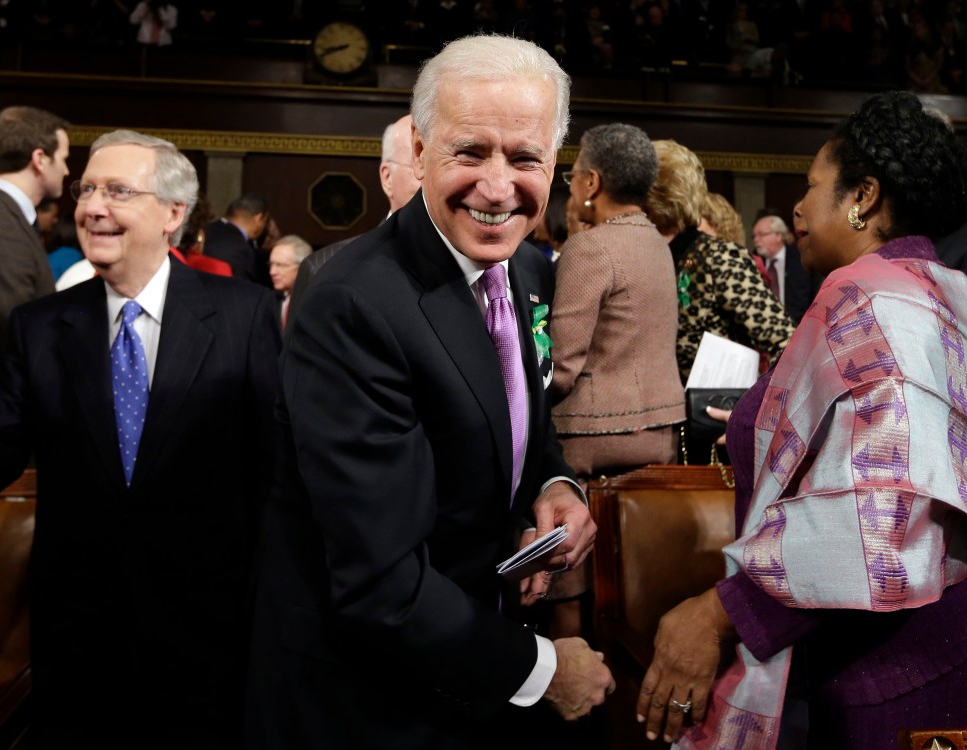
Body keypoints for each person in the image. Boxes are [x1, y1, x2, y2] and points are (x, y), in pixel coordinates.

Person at [247, 33, 614, 750]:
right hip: (364, 701)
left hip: (465, 669)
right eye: (471, 152)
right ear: (417, 150)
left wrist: (556, 483)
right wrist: (544, 669)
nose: (499, 186)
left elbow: (523, 424)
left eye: (526, 158)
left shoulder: (530, 269)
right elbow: (380, 582)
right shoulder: (352, 303)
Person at [637, 91, 967, 749]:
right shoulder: (939, 289)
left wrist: (719, 614)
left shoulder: (873, 298)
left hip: (890, 668)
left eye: (813, 186)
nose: (796, 205)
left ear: (862, 197)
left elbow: (883, 510)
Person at [0, 129, 280, 748]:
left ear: (172, 213)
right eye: (86, 190)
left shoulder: (246, 315)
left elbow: (276, 466)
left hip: (209, 633)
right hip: (77, 634)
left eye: (118, 190)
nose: (92, 206)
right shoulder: (41, 326)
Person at [552, 123, 684, 475]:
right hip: (662, 428)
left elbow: (561, 367)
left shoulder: (589, 247)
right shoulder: (657, 241)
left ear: (592, 182)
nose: (574, 184)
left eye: (574, 174)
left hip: (591, 433)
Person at [644, 139, 796, 382]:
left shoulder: (717, 256)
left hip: (709, 415)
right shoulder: (643, 256)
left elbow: (785, 342)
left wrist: (751, 408)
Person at [0, 106, 69, 421]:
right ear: (40, 159)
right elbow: (19, 332)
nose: (66, 170)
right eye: (63, 158)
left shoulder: (9, 217)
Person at [290, 114, 421, 305]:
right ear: (387, 178)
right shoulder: (324, 268)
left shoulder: (474, 267)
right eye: (419, 164)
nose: (434, 180)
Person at [751, 213, 820, 324]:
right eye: (754, 236)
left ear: (778, 236)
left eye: (761, 234)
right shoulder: (753, 262)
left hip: (799, 325)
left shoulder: (801, 259)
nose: (756, 240)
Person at [202, 192, 269, 281]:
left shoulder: (203, 232)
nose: (264, 227)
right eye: (265, 221)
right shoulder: (243, 251)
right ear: (258, 219)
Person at [268, 233, 312, 330]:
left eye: (281, 265)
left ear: (302, 267)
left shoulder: (312, 302)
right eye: (271, 264)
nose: (272, 272)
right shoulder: (270, 301)